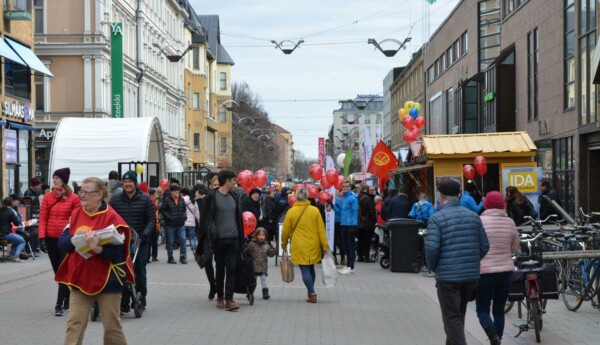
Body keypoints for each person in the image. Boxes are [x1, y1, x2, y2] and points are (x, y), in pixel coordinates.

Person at [55, 177, 135, 345]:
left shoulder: (112, 217)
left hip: (108, 279)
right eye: (81, 191)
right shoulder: (76, 213)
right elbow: (62, 242)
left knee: (112, 327)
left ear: (99, 195)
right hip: (81, 276)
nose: (82, 195)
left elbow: (118, 254)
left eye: (86, 192)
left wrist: (97, 248)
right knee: (74, 324)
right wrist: (74, 241)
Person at [425, 179, 489, 345]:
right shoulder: (474, 217)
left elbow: (432, 249)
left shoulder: (436, 219)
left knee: (452, 317)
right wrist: (472, 262)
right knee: (457, 316)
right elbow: (484, 246)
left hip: (448, 277)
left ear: (441, 196)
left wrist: (434, 267)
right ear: (458, 195)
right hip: (470, 276)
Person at [476, 191, 520, 345]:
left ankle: (492, 334)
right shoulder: (510, 222)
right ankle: (498, 339)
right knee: (499, 309)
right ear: (503, 205)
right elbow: (515, 248)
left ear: (486, 204)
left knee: (482, 309)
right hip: (506, 272)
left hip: (484, 272)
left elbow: (476, 247)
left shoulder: (479, 221)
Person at [109, 170, 156, 313]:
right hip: (121, 241)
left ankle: (141, 298)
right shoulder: (116, 200)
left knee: (139, 270)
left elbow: (151, 219)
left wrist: (144, 236)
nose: (127, 184)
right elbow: (108, 217)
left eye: (130, 182)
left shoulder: (145, 199)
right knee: (121, 271)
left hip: (139, 241)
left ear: (135, 183)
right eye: (125, 182)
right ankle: (123, 301)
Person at [198, 169, 244, 311]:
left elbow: (238, 218)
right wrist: (205, 239)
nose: (235, 184)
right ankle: (220, 296)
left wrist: (242, 238)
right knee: (220, 270)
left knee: (231, 269)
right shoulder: (212, 197)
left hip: (234, 239)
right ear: (227, 181)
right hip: (219, 240)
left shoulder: (235, 196)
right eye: (234, 181)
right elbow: (205, 220)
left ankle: (229, 299)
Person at [38, 167, 81, 316]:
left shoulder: (74, 198)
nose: (54, 180)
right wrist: (41, 237)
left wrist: (73, 236)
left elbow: (76, 220)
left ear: (64, 181)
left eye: (57, 178)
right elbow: (43, 218)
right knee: (58, 272)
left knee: (63, 270)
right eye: (54, 177)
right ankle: (67, 297)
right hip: (50, 238)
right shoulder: (48, 197)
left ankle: (59, 304)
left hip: (66, 239)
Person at [281, 188, 329, 303]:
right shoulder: (315, 210)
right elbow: (321, 229)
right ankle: (310, 292)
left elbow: (285, 231)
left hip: (299, 244)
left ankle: (311, 293)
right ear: (307, 196)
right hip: (313, 243)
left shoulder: (291, 211)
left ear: (296, 197)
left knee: (304, 269)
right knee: (311, 267)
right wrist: (325, 245)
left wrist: (283, 244)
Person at [196, 180, 218, 301]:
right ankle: (212, 284)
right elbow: (202, 220)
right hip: (207, 236)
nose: (216, 187)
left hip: (220, 236)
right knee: (208, 260)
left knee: (220, 264)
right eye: (214, 185)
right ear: (211, 186)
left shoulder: (225, 199)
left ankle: (219, 287)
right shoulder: (206, 200)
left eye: (218, 185)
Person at [333, 180, 359, 275]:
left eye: (347, 186)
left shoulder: (353, 198)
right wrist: (332, 206)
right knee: (345, 246)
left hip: (350, 225)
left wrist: (354, 224)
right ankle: (348, 266)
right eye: (343, 186)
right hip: (343, 224)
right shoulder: (344, 197)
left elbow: (355, 212)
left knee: (350, 246)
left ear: (350, 187)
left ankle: (351, 267)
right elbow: (340, 211)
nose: (345, 188)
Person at [160, 183, 188, 264]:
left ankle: (183, 256)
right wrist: (169, 217)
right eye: (175, 190)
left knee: (183, 240)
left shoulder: (181, 199)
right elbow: (162, 210)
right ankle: (170, 257)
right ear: (171, 192)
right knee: (171, 242)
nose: (177, 192)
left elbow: (184, 209)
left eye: (178, 190)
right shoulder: (167, 199)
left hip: (180, 224)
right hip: (170, 225)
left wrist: (184, 216)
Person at [248, 227, 276, 300]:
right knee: (253, 280)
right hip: (253, 266)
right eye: (260, 235)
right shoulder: (252, 244)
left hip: (263, 266)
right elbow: (248, 253)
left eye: (263, 235)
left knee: (263, 278)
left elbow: (270, 254)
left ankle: (265, 293)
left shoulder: (266, 245)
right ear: (256, 235)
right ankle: (250, 292)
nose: (261, 236)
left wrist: (275, 250)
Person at [0, 197, 26, 262]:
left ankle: (11, 255)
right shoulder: (10, 211)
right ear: (11, 204)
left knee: (16, 240)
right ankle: (16, 256)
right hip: (6, 234)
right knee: (22, 241)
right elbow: (16, 223)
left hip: (1, 233)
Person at [357, 186, 377, 262]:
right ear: (367, 190)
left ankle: (360, 256)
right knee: (367, 240)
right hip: (367, 223)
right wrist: (374, 221)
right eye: (371, 190)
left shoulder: (358, 197)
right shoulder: (369, 198)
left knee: (360, 239)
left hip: (359, 222)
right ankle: (366, 256)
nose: (372, 191)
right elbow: (371, 211)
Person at [23, 177, 43, 253]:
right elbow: (26, 206)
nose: (40, 187)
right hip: (29, 216)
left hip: (36, 214)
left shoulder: (38, 191)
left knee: (35, 232)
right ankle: (30, 249)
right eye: (38, 185)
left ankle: (35, 247)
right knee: (30, 232)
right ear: (34, 185)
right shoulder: (28, 193)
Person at [181, 187, 199, 252]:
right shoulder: (193, 201)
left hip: (183, 221)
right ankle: (193, 248)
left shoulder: (181, 200)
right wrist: (199, 220)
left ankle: (183, 250)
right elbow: (196, 212)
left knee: (183, 238)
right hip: (192, 222)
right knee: (192, 237)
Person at [147, 188, 160, 263]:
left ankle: (149, 257)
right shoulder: (151, 200)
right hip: (153, 222)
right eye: (155, 194)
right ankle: (153, 256)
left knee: (150, 241)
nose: (156, 195)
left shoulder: (149, 199)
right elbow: (155, 209)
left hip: (150, 222)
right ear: (152, 194)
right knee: (154, 241)